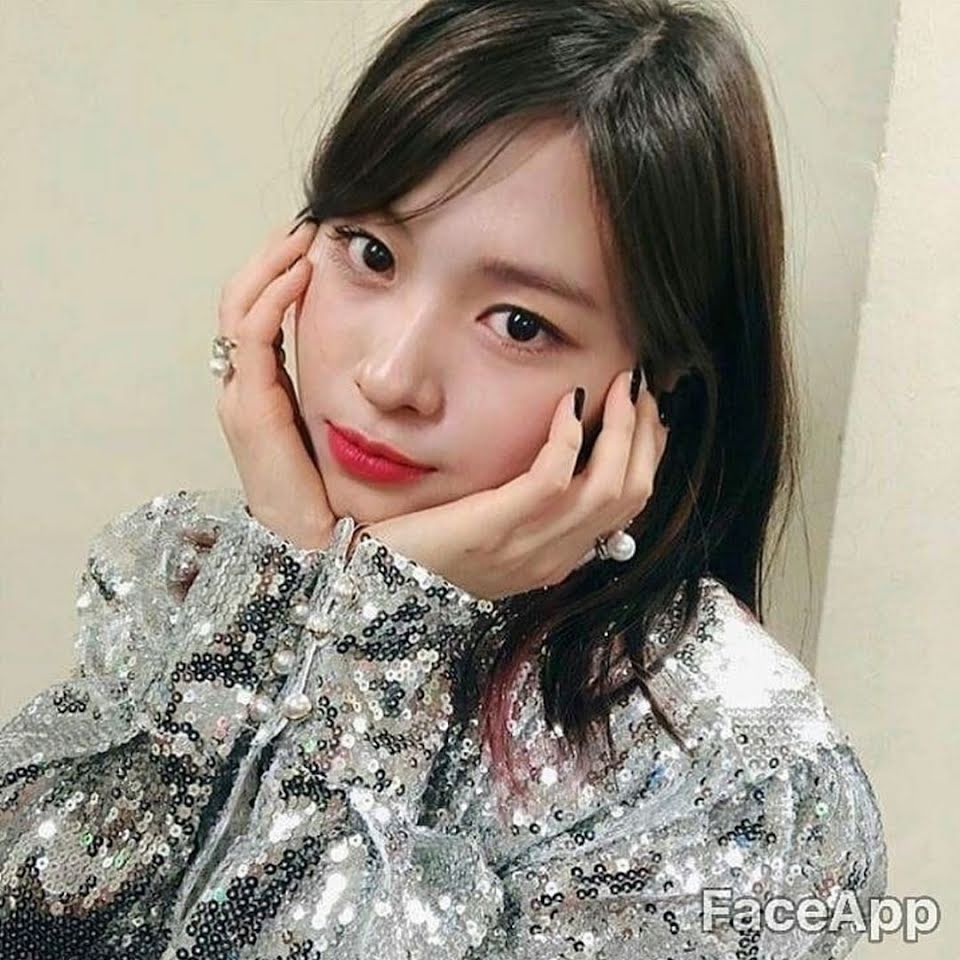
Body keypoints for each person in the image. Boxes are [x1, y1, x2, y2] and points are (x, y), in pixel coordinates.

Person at [0, 0, 887, 957]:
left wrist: (377, 630)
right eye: (372, 253)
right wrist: (288, 584)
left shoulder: (731, 775)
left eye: (519, 324)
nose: (390, 377)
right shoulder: (182, 576)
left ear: (656, 379)